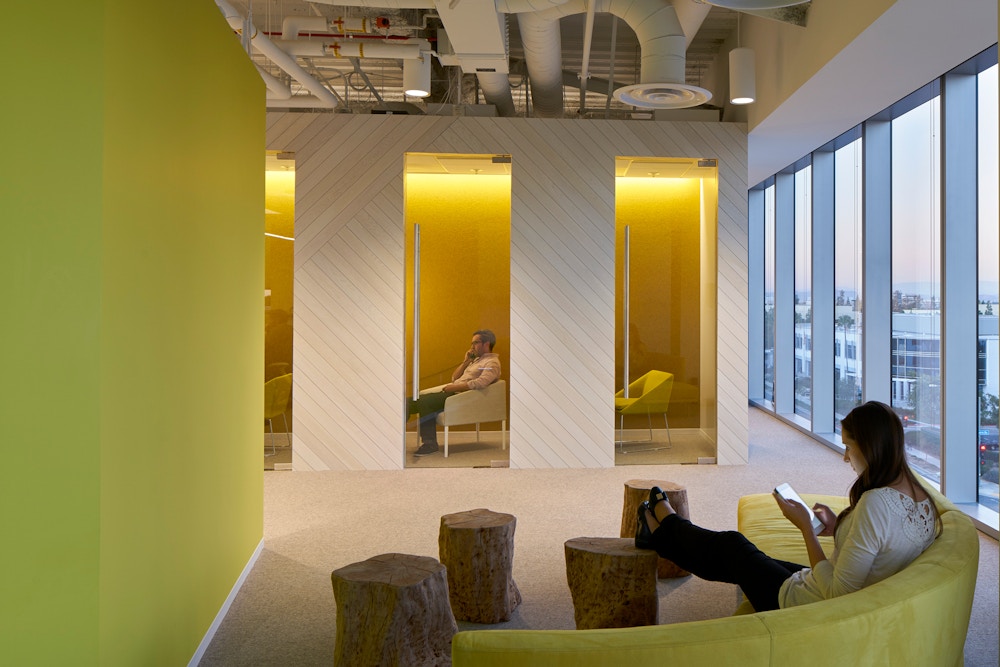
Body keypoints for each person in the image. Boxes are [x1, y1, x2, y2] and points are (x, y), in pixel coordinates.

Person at [635, 401, 939, 612]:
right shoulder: (921, 497)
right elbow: (879, 545)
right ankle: (660, 534)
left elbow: (838, 594)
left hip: (811, 606)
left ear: (871, 447)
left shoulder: (876, 503)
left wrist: (805, 527)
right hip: (828, 584)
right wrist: (837, 527)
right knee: (736, 557)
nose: (846, 458)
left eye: (849, 447)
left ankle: (665, 525)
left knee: (732, 546)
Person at [407, 330, 501, 457]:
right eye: (471, 343)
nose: (472, 346)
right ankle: (396, 434)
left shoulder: (492, 363)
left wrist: (454, 387)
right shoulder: (475, 361)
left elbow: (480, 383)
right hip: (453, 393)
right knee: (408, 401)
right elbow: (454, 378)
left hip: (461, 397)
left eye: (476, 343)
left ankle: (430, 444)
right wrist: (466, 362)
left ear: (486, 344)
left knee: (424, 401)